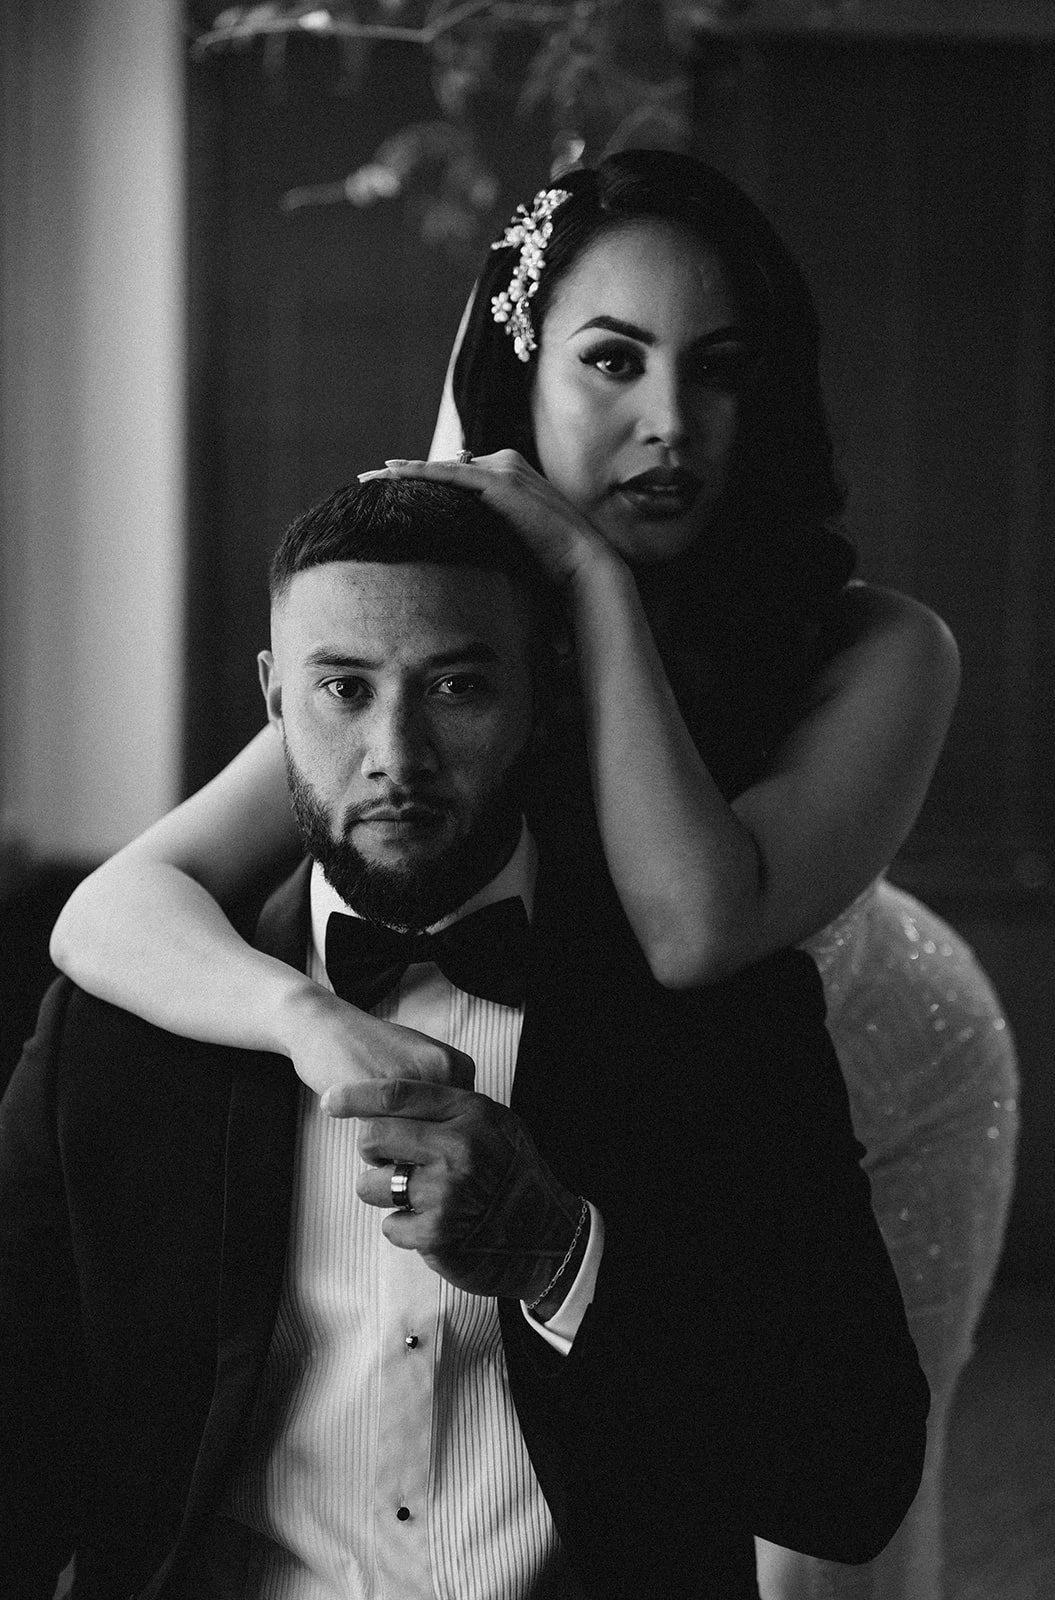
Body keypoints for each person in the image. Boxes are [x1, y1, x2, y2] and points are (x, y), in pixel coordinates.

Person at [48, 151, 1018, 1598]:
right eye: (612, 361)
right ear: (522, 366)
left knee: (813, 1539)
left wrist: (589, 584)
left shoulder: (881, 646)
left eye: (720, 369)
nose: (668, 423)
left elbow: (697, 930)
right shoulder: (437, 642)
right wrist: (303, 1016)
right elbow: (111, 906)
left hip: (878, 1056)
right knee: (598, 1453)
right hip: (606, 1077)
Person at [0, 477, 928, 1599]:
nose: (396, 751)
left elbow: (851, 1478)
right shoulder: (120, 1034)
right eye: (342, 686)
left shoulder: (719, 1023)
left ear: (541, 693)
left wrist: (560, 1256)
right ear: (273, 699)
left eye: (456, 685)